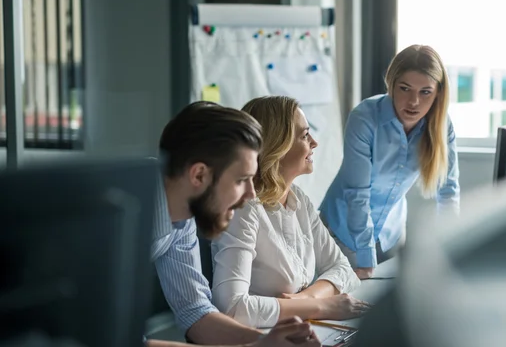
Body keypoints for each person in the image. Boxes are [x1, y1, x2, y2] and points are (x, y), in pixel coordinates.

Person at [146, 101, 321, 347]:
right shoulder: (121, 211)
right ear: (199, 175)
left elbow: (195, 312)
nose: (251, 194)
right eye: (242, 180)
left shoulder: (183, 218)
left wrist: (267, 341)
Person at [211, 96, 368, 329]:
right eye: (305, 135)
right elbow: (232, 309)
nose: (314, 142)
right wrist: (322, 306)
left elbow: (343, 269)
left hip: (296, 328)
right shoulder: (243, 207)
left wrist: (306, 299)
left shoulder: (298, 199)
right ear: (278, 146)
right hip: (258, 338)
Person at [319, 44, 460, 280]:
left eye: (425, 91)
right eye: (405, 88)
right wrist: (364, 258)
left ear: (438, 93)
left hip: (391, 234)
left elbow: (448, 191)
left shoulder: (442, 125)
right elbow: (357, 193)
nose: (414, 101)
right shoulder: (364, 117)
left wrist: (452, 248)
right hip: (342, 233)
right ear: (391, 84)